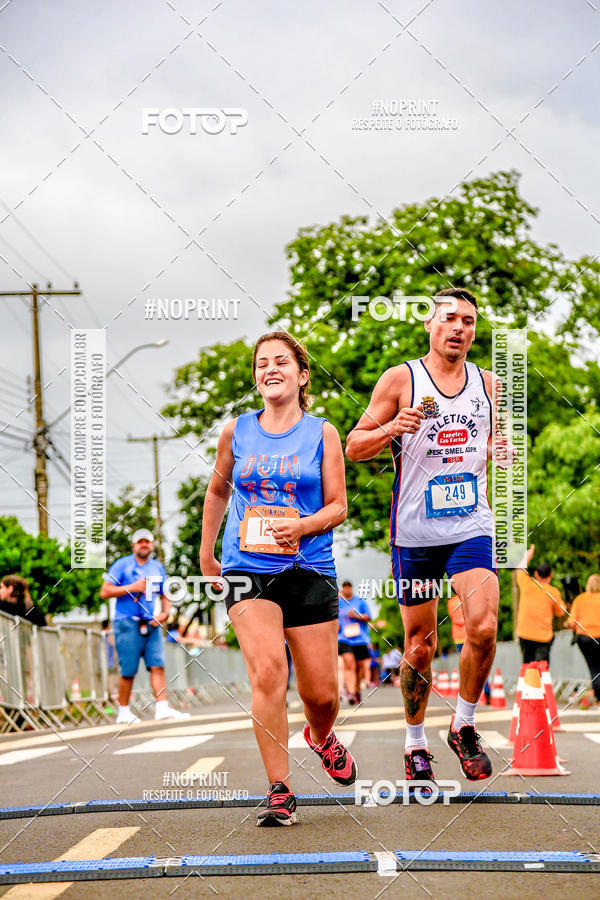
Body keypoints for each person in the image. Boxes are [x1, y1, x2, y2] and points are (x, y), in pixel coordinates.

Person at [347, 287, 510, 783]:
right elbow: (355, 446)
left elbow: (490, 442)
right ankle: (414, 742)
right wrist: (393, 427)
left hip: (471, 526)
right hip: (414, 532)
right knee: (419, 645)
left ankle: (463, 726)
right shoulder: (402, 378)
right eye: (450, 319)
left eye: (469, 321)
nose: (460, 328)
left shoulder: (489, 384)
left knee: (482, 625)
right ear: (430, 325)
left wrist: (498, 450)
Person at [200, 331, 356, 827]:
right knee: (268, 671)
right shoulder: (237, 431)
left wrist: (303, 525)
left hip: (309, 567)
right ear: (256, 376)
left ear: (301, 374)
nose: (271, 368)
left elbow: (339, 506)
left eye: (281, 361)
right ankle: (280, 791)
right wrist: (206, 556)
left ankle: (322, 736)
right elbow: (217, 493)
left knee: (322, 696)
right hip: (248, 566)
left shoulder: (322, 433)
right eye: (262, 363)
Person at [99, 529, 189, 724]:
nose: (144, 545)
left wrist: (164, 614)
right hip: (127, 622)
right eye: (140, 542)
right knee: (128, 669)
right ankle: (123, 711)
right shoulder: (122, 565)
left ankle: (162, 707)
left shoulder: (157, 567)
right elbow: (105, 591)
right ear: (134, 545)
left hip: (151, 623)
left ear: (152, 545)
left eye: (147, 541)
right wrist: (132, 588)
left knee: (157, 665)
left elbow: (165, 594)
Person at [516, 544, 565, 664]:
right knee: (541, 668)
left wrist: (528, 555)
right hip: (543, 637)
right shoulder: (553, 592)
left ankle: (527, 682)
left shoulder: (526, 584)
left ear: (536, 574)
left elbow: (519, 569)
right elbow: (561, 612)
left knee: (527, 666)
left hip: (524, 634)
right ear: (551, 576)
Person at [567, 574, 600, 707]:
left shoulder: (580, 599)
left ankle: (598, 697)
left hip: (585, 637)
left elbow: (571, 622)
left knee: (593, 667)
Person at [337, 580, 372, 704]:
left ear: (351, 589)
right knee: (349, 664)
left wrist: (356, 615)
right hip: (344, 638)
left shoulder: (360, 601)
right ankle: (350, 693)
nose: (346, 590)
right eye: (344, 588)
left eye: (348, 588)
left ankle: (356, 690)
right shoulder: (338, 603)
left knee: (359, 668)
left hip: (360, 639)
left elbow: (368, 617)